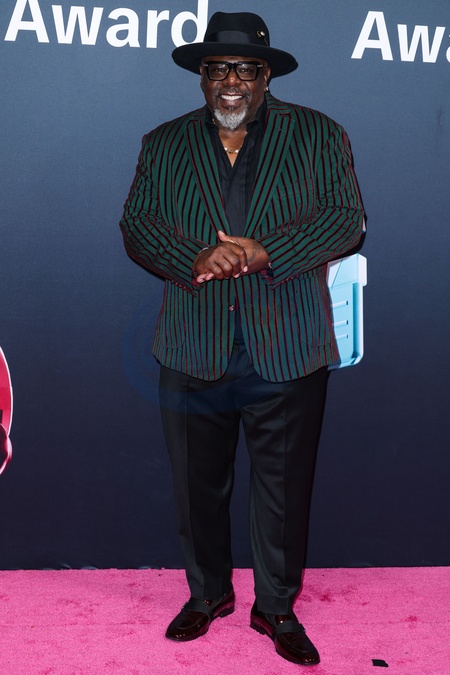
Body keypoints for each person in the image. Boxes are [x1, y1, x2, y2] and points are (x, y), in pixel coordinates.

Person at [120, 11, 364, 667]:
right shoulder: (163, 143)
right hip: (193, 344)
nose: (232, 81)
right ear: (202, 77)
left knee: (283, 490)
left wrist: (266, 251)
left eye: (246, 69)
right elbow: (138, 224)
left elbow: (346, 219)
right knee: (196, 486)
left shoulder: (318, 135)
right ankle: (208, 594)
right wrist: (195, 257)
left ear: (266, 76)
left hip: (287, 344)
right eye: (218, 69)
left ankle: (276, 607)